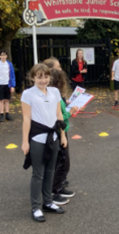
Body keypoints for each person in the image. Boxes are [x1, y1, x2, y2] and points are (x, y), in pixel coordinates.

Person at [21, 63, 68, 222]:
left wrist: (62, 135)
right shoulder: (28, 94)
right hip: (38, 138)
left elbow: (59, 115)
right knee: (38, 174)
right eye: (39, 77)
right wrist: (25, 141)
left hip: (53, 136)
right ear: (33, 77)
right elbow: (26, 119)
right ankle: (36, 207)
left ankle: (48, 202)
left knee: (50, 172)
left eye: (46, 76)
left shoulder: (54, 91)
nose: (43, 80)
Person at [49, 69, 79, 205]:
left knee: (63, 161)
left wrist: (71, 109)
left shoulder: (57, 96)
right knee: (62, 161)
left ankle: (58, 187)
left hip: (62, 130)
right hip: (58, 130)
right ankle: (53, 191)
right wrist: (70, 112)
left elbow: (62, 111)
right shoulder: (52, 96)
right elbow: (58, 117)